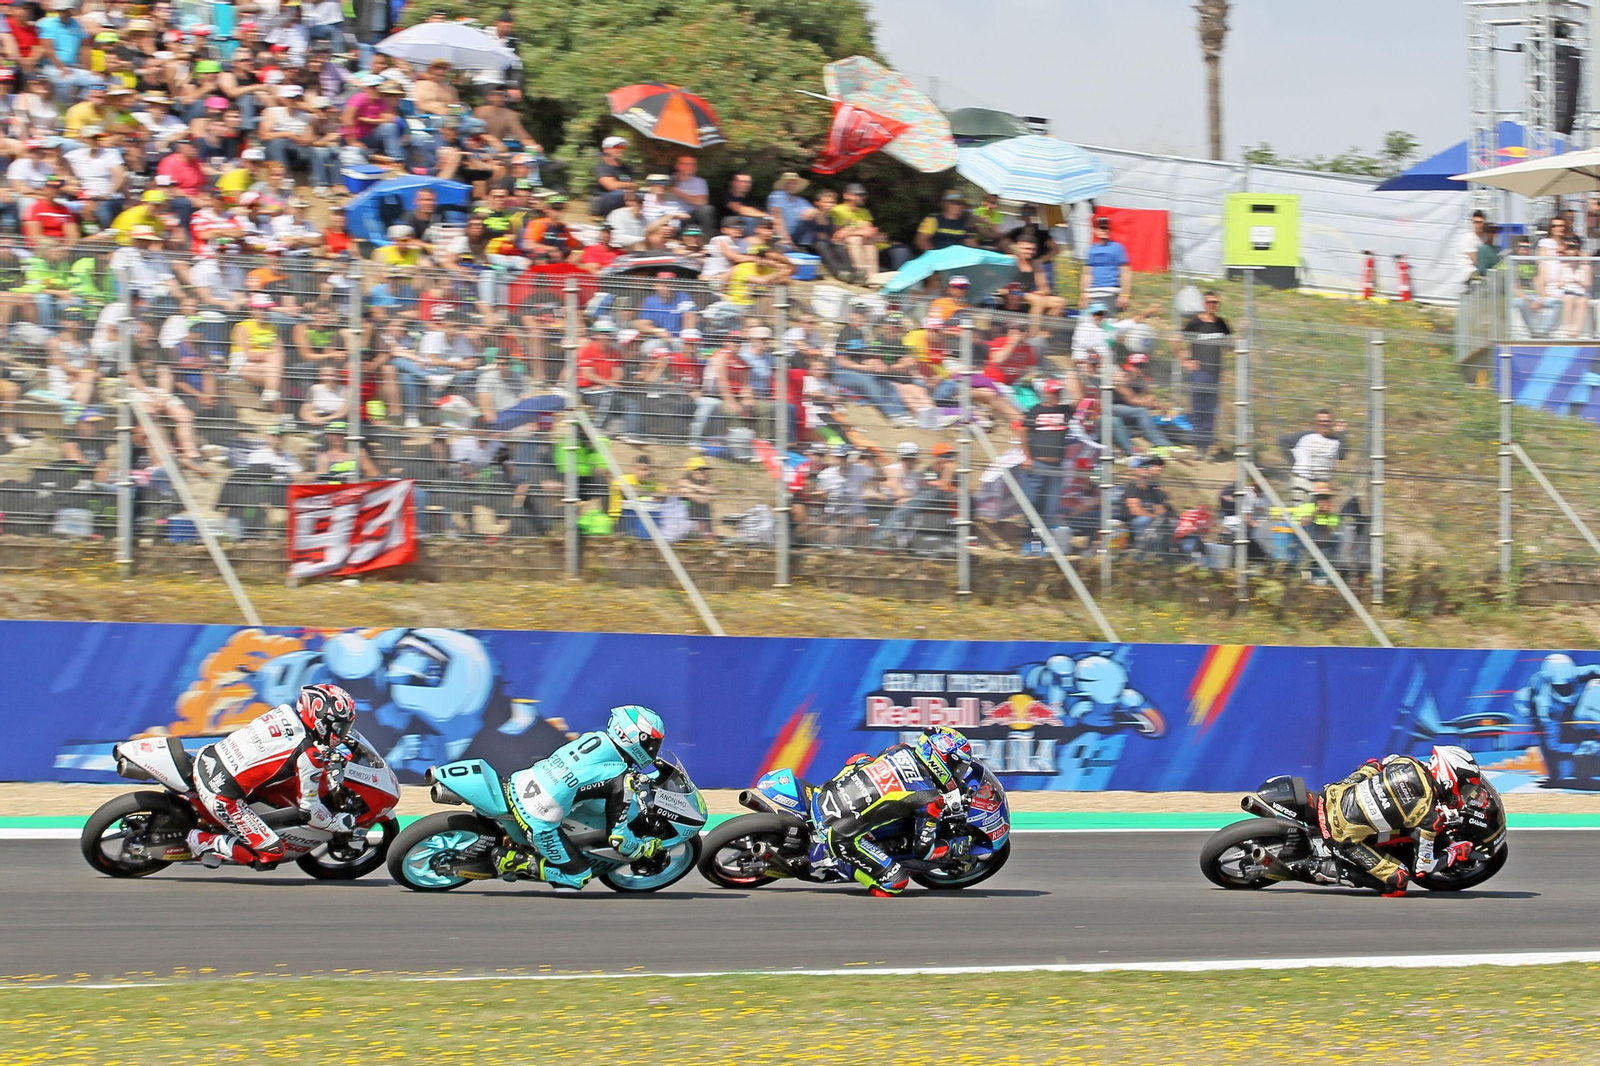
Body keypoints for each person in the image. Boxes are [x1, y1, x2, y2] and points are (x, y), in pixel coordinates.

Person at [185, 684, 359, 868]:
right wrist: (335, 824)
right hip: (221, 794)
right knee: (272, 854)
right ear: (321, 720)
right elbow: (310, 812)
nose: (341, 733)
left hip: (208, 757)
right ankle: (202, 842)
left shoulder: (283, 712)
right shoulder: (309, 755)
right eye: (339, 726)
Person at [495, 705, 667, 890]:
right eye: (652, 743)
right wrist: (643, 847)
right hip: (536, 816)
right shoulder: (621, 778)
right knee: (578, 878)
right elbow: (618, 840)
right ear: (635, 738)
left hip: (520, 782)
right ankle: (512, 861)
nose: (653, 749)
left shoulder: (595, 738)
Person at [815, 726, 974, 896]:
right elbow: (923, 850)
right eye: (959, 768)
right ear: (943, 760)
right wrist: (951, 847)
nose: (959, 774)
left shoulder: (900, 749)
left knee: (862, 759)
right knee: (896, 882)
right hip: (837, 834)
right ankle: (840, 863)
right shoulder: (930, 798)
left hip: (822, 795)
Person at [1317, 745, 1484, 895]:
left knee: (1373, 765)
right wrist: (1455, 852)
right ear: (1449, 780)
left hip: (1332, 793)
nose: (1464, 794)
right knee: (1398, 881)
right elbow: (1423, 868)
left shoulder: (1407, 761)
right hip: (1338, 832)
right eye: (1465, 788)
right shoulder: (1427, 815)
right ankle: (1325, 870)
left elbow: (1381, 763)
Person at [1177, 290, 1231, 457]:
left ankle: (1206, 446)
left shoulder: (1221, 323)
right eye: (1209, 302)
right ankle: (1198, 445)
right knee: (1199, 409)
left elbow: (1229, 345)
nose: (1212, 305)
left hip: (1215, 372)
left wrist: (1241, 333)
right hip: (1199, 372)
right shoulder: (1195, 322)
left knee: (1210, 410)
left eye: (1215, 302)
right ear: (1203, 304)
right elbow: (1175, 340)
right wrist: (1184, 360)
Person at [1279, 409, 1347, 502]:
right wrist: (1294, 462)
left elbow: (1341, 455)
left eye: (1327, 421)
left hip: (1322, 485)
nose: (1324, 424)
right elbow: (1283, 441)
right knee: (1301, 510)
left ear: (1332, 423)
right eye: (1321, 421)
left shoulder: (1335, 440)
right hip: (1302, 482)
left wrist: (1341, 433)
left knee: (1319, 510)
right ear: (1316, 423)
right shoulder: (1305, 436)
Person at [1081, 215, 1130, 311]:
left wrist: (1125, 294)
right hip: (1093, 291)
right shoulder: (1091, 249)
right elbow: (1087, 273)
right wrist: (1083, 293)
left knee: (1108, 318)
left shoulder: (1117, 247)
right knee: (1088, 318)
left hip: (1111, 290)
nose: (1105, 230)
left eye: (1107, 228)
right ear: (1095, 230)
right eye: (1101, 228)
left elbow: (1125, 272)